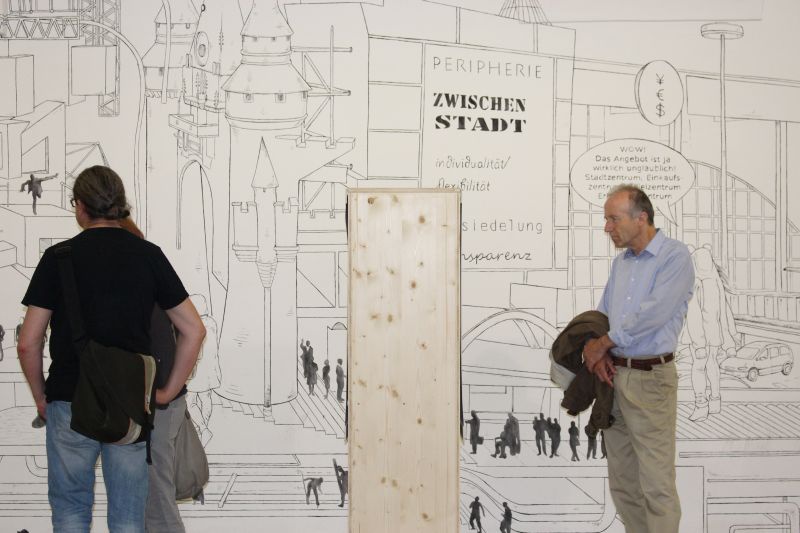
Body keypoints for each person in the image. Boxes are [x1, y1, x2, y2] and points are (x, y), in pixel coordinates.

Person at [16, 165, 206, 532]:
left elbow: (28, 343)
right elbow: (193, 329)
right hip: (129, 403)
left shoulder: (58, 257)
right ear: (120, 204)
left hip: (69, 398)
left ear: (80, 206)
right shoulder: (148, 255)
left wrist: (41, 397)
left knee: (71, 510)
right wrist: (166, 393)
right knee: (128, 515)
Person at [582, 184, 693, 533]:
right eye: (607, 220)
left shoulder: (674, 257)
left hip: (651, 380)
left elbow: (652, 315)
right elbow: (604, 313)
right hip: (615, 377)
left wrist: (604, 343)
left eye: (613, 219)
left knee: (656, 485)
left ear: (641, 218)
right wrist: (600, 351)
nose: (607, 227)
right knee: (623, 483)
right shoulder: (621, 264)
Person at [118, 216, 191, 533]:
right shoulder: (150, 279)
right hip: (156, 403)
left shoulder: (140, 284)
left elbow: (190, 333)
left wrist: (165, 393)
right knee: (150, 498)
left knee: (156, 502)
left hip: (154, 406)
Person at [186, 293, 221, 447]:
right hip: (211, 369)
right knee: (206, 397)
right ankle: (204, 428)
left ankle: (204, 429)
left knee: (190, 400)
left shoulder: (195, 325)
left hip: (198, 370)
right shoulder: (211, 322)